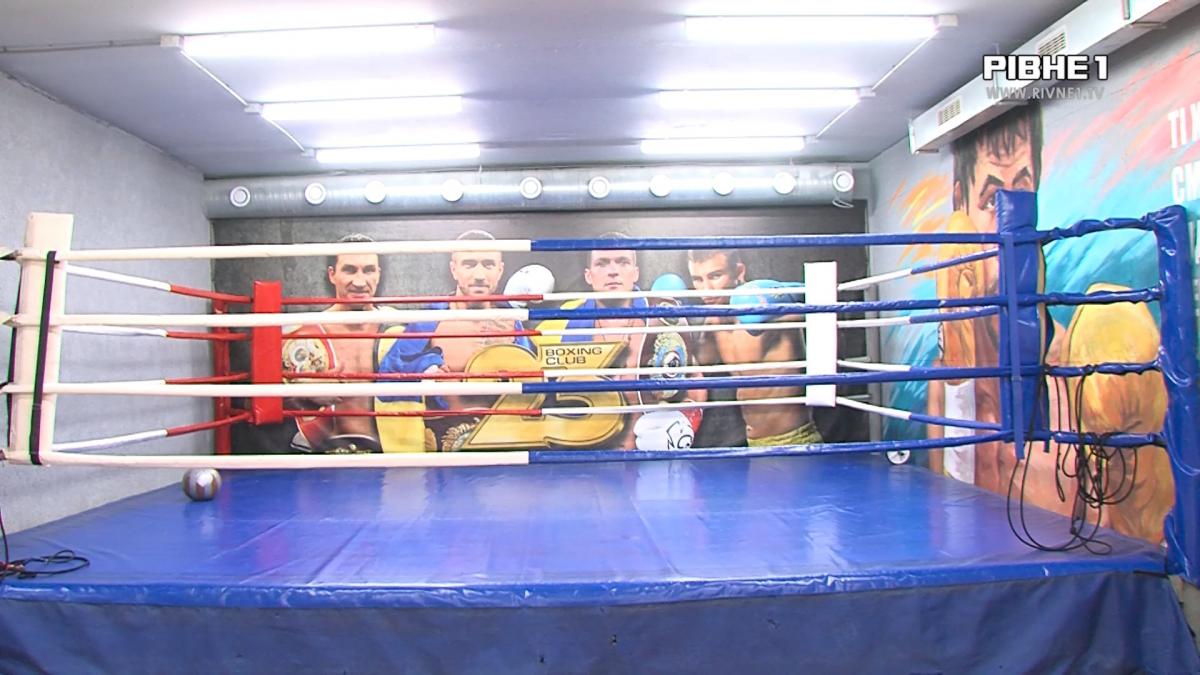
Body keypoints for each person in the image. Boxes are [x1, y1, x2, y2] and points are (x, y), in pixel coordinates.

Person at [375, 230, 535, 452]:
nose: (479, 275)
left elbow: (534, 387)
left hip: (501, 441)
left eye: (488, 265)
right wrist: (427, 367)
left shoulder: (512, 323)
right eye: (469, 264)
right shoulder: (431, 320)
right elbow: (389, 376)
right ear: (454, 269)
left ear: (500, 270)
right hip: (443, 444)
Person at [686, 248, 820, 448]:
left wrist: (787, 296)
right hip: (754, 443)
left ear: (739, 271)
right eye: (697, 279)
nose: (706, 289)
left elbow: (823, 303)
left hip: (793, 440)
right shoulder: (713, 323)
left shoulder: (770, 309)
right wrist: (671, 322)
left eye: (715, 276)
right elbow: (698, 366)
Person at [282, 233, 386, 453]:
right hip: (322, 453)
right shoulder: (303, 334)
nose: (360, 282)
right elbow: (261, 401)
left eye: (368, 270)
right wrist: (304, 394)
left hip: (389, 453)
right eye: (349, 270)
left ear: (378, 274)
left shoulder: (399, 329)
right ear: (332, 274)